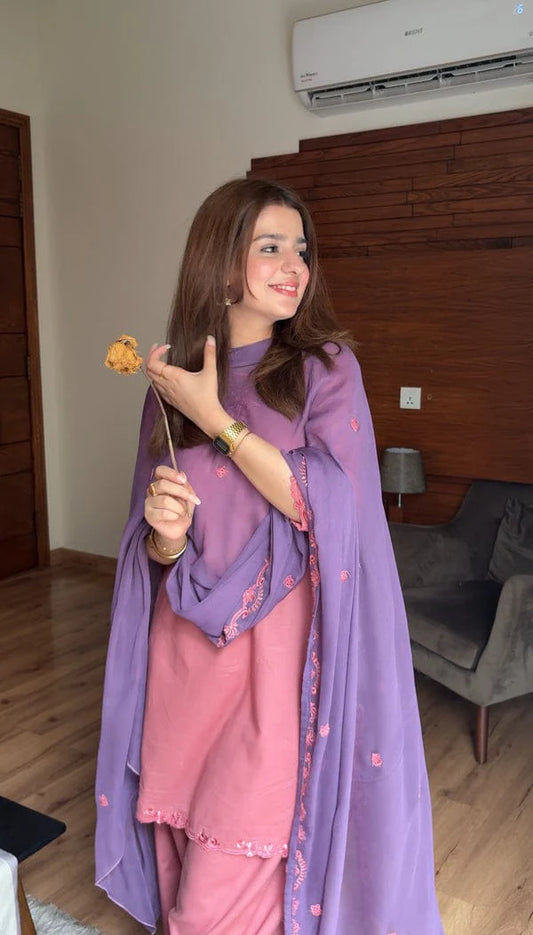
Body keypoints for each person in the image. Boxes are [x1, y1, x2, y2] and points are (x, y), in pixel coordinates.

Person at [95, 177, 444, 935]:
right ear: (221, 263)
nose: (295, 266)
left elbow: (330, 506)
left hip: (279, 666)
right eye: (271, 247)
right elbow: (159, 544)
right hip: (187, 655)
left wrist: (215, 417)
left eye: (302, 250)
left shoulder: (323, 369)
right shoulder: (170, 386)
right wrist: (164, 534)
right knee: (182, 851)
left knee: (216, 897)